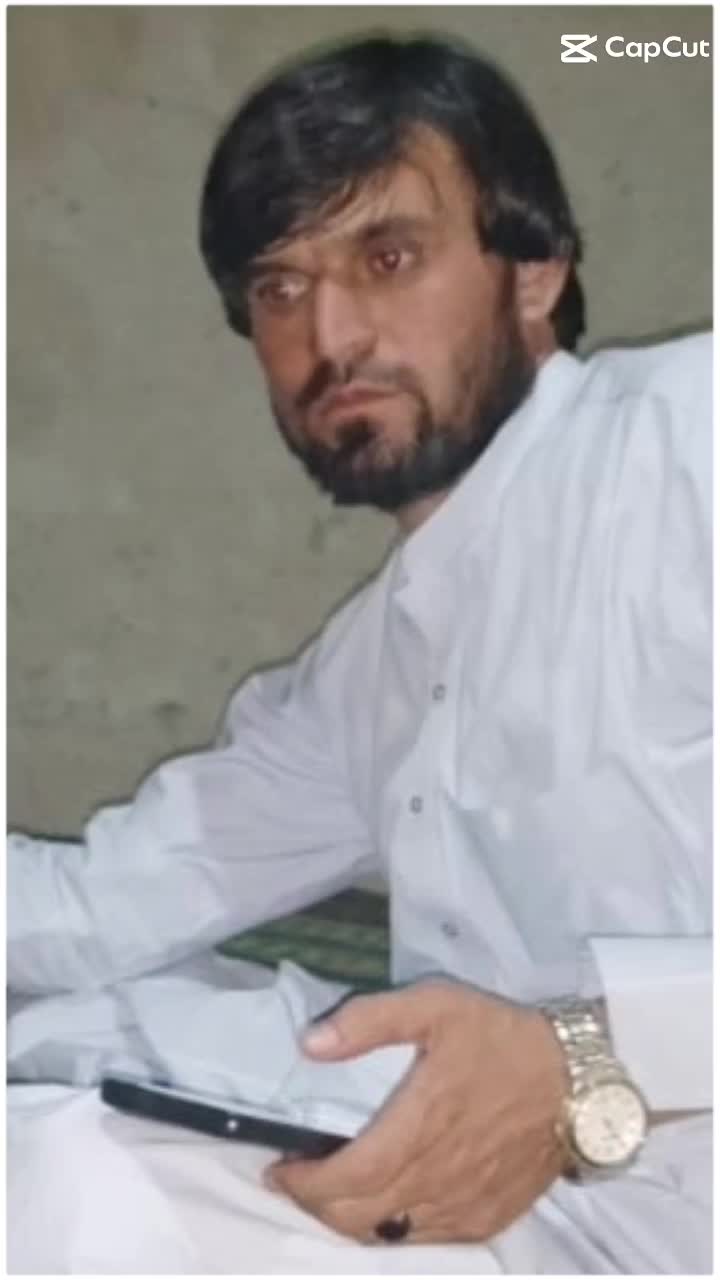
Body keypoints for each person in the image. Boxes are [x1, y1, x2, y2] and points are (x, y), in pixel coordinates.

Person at [7, 33, 711, 1275]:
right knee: (58, 1106)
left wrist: (591, 1049)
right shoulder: (373, 668)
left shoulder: (690, 445)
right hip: (526, 1224)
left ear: (534, 272)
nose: (330, 332)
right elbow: (93, 907)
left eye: (388, 258)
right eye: (281, 288)